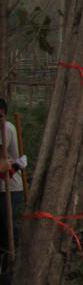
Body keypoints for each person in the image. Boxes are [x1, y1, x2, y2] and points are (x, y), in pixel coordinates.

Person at [1, 97, 29, 274]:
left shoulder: (7, 129)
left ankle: (14, 268)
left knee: (8, 231)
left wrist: (10, 167)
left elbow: (17, 162)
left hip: (9, 189)